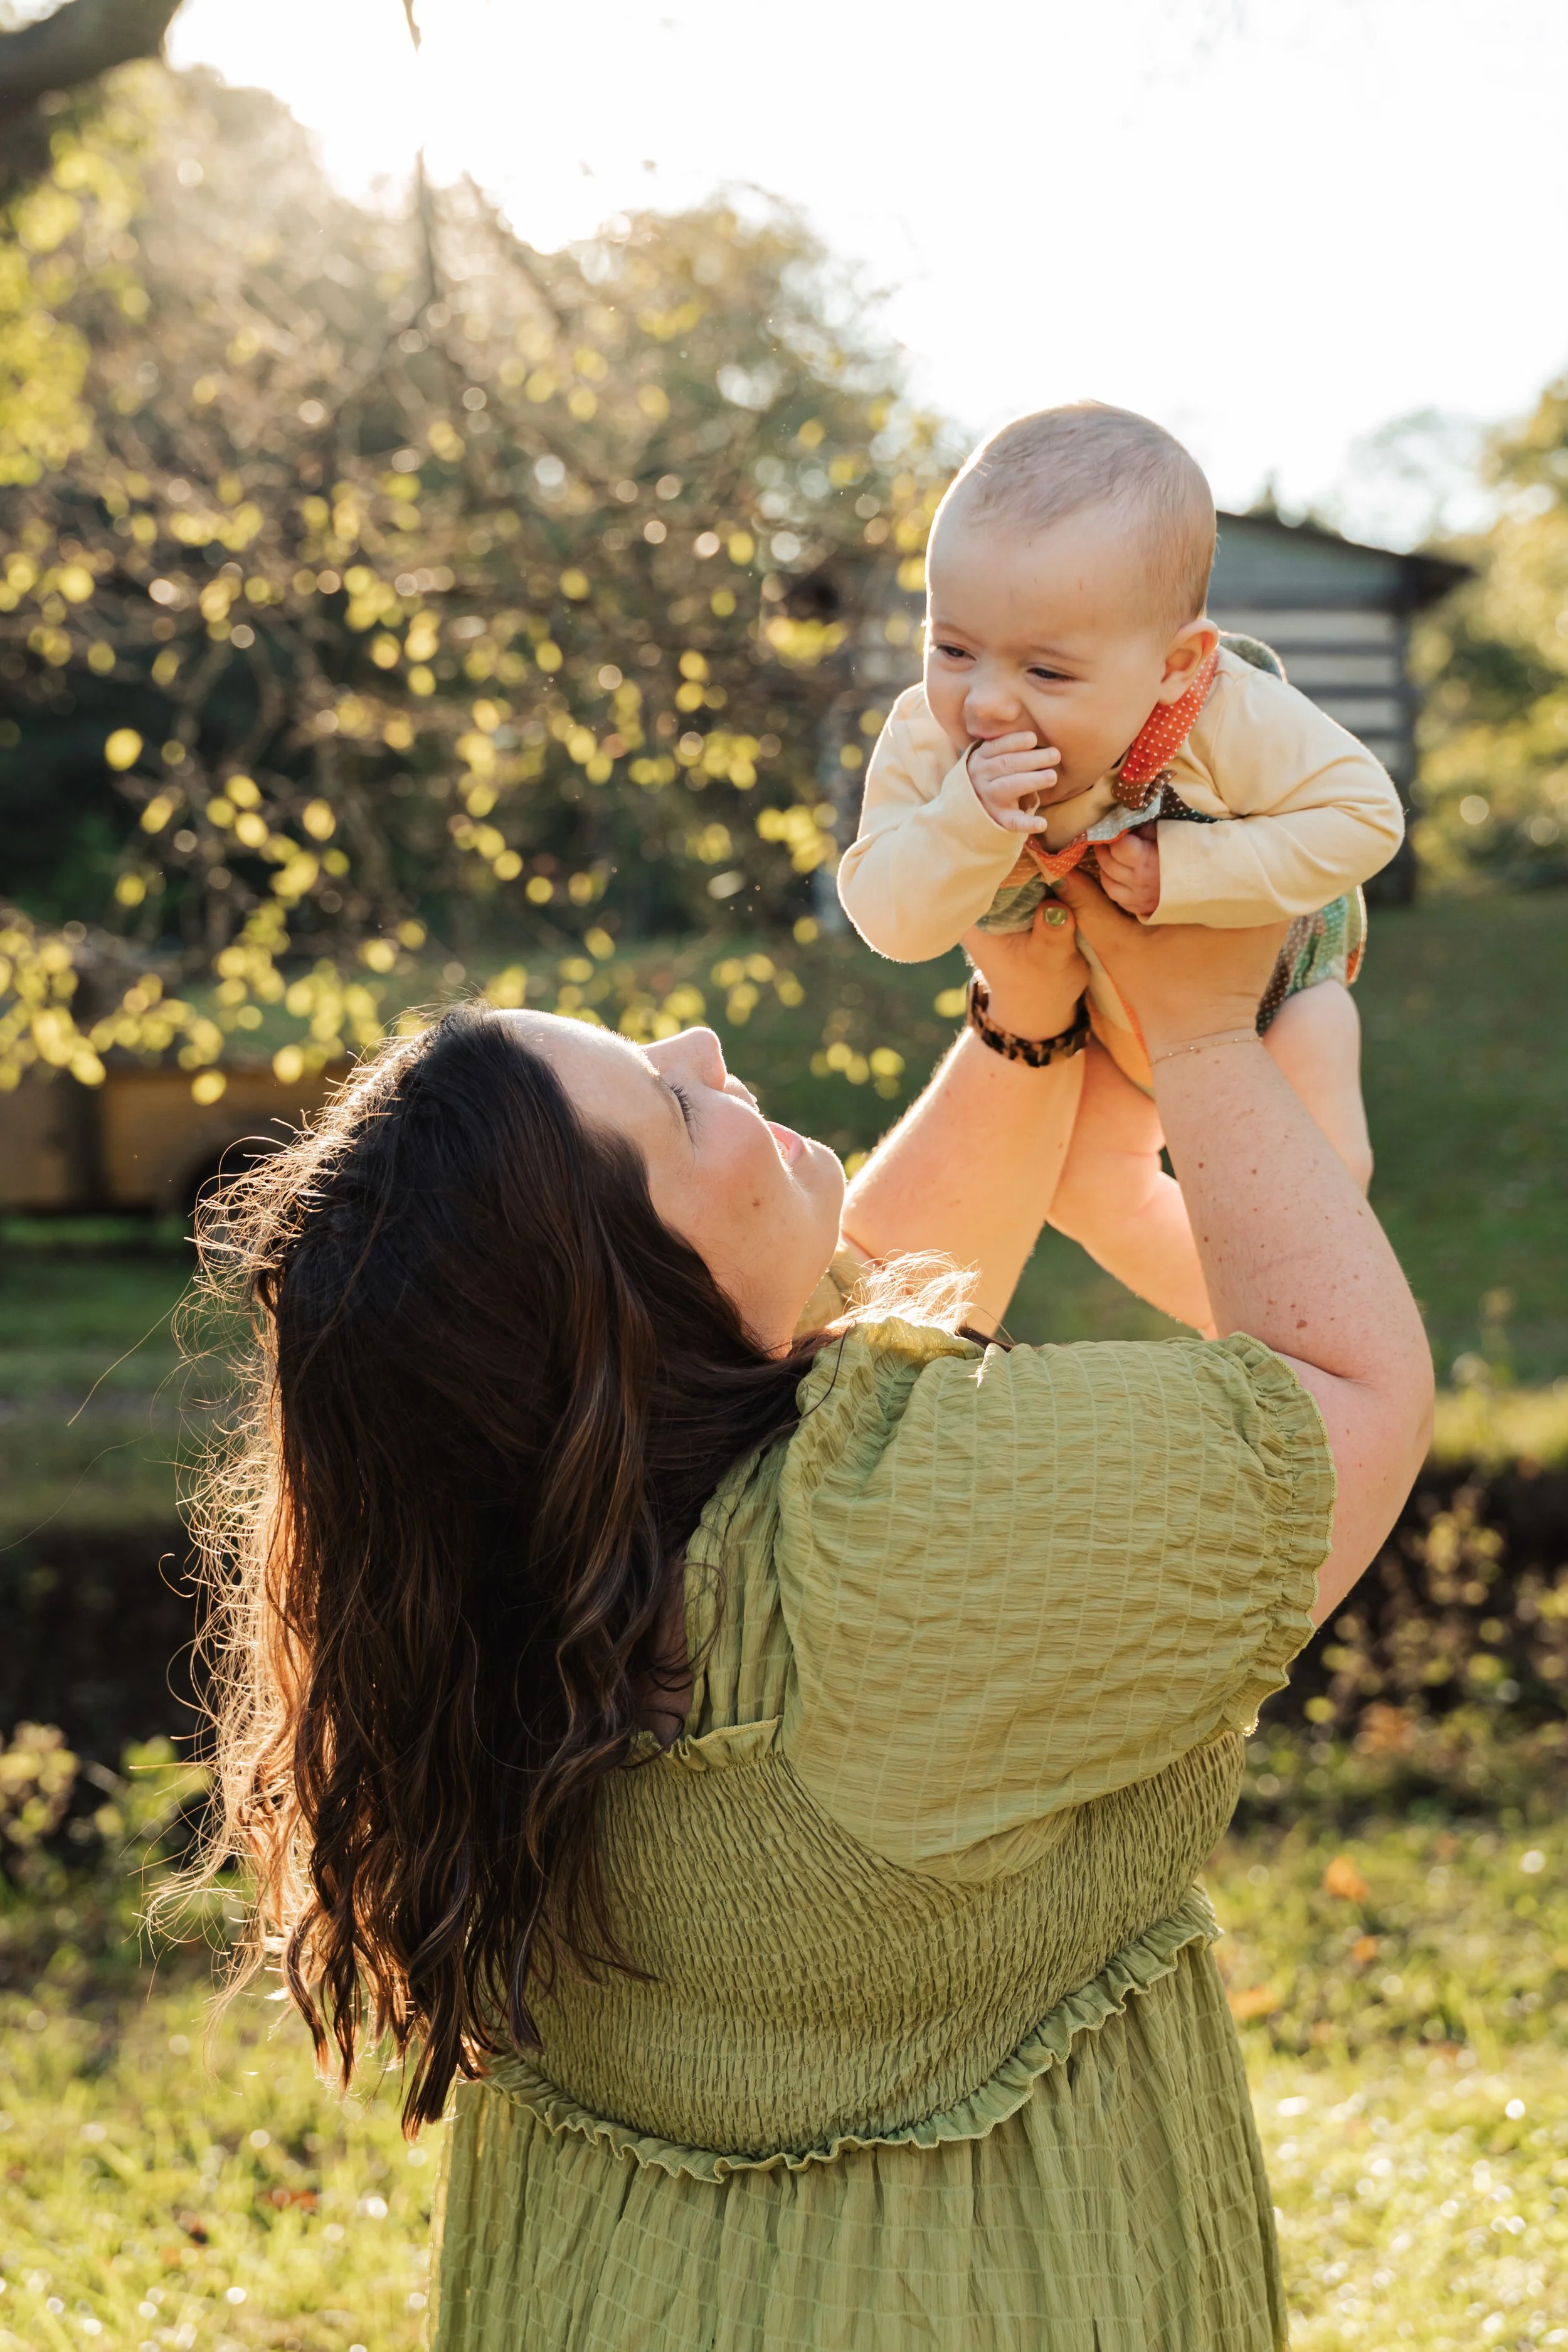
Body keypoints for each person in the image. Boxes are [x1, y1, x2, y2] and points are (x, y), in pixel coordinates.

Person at [196, 876, 1432, 2352]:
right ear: (630, 1317)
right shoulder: (908, 1548)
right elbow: (1341, 1399)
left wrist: (1025, 1022)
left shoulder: (498, 1583)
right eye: (671, 1107)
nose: (705, 1049)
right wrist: (1205, 1030)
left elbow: (813, 1298)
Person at [838, 403, 1406, 1332]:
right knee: (1089, 1187)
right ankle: (1254, 1333)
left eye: (1047, 673)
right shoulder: (930, 747)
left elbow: (1364, 815)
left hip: (1277, 987)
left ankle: (1318, 1319)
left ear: (1176, 664)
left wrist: (1190, 868)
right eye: (953, 649)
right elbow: (890, 918)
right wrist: (963, 820)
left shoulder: (1223, 712)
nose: (987, 703)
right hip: (1106, 1018)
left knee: (1320, 1172)